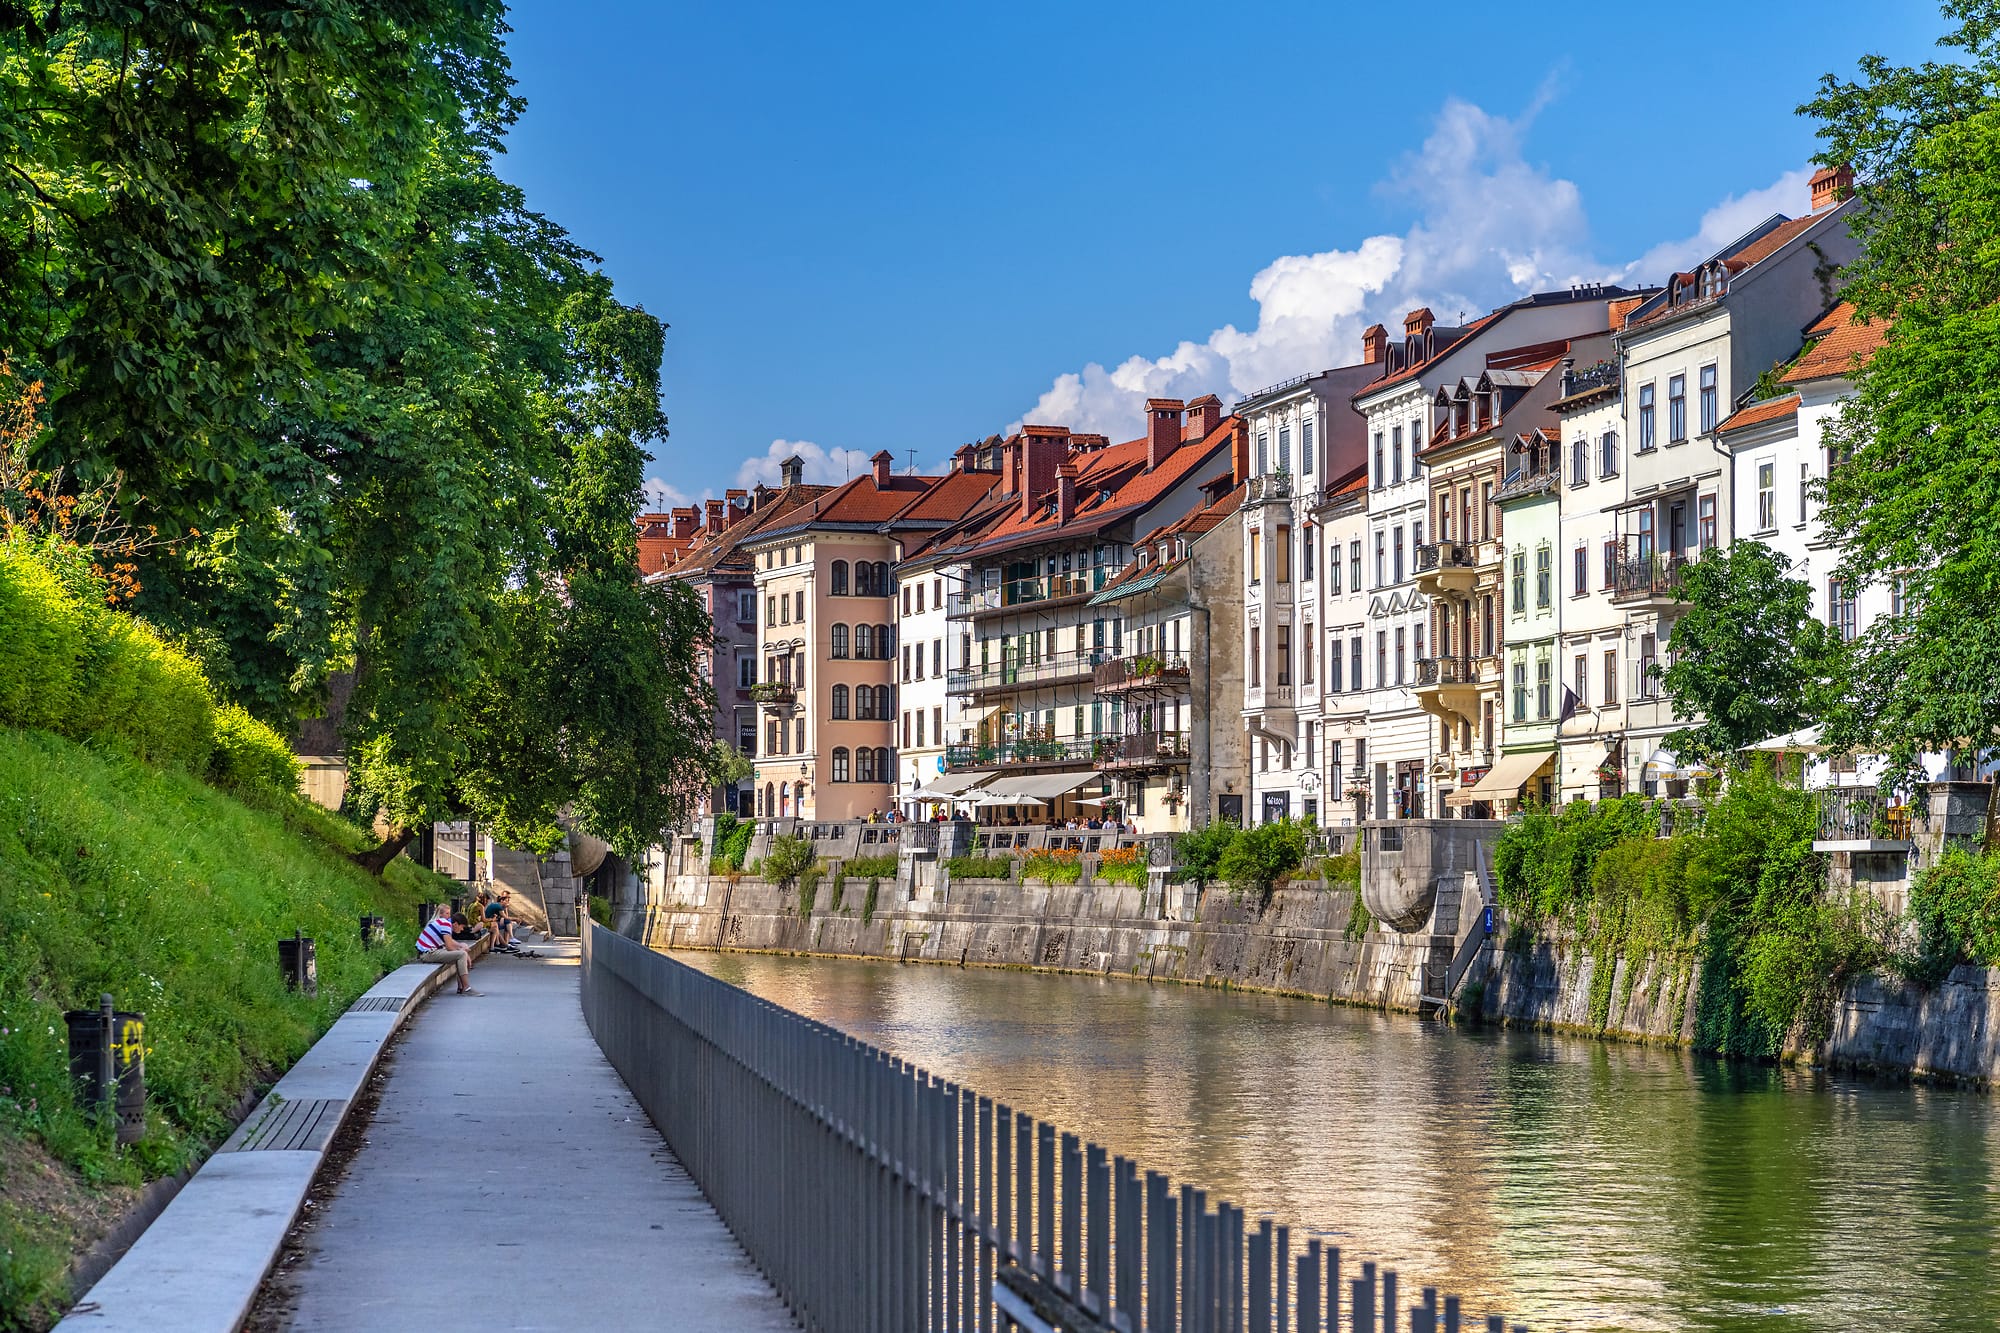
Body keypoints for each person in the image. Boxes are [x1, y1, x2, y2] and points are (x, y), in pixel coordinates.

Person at [417, 908, 479, 995]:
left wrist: (461, 947)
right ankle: (466, 988)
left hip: (430, 951)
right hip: (428, 953)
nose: (461, 930)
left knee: (461, 954)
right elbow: (449, 946)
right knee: (461, 955)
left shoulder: (445, 923)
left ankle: (461, 987)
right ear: (456, 924)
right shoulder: (446, 924)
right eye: (462, 927)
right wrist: (464, 952)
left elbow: (450, 942)